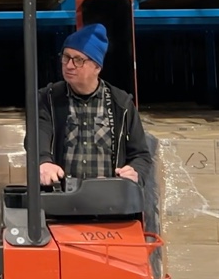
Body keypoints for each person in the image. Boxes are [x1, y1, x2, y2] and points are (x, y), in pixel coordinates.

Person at [34, 23, 153, 187]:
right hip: (61, 197)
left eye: (78, 60)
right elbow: (37, 137)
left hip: (107, 198)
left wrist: (135, 171)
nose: (69, 65)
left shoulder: (121, 104)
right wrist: (43, 161)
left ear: (97, 67)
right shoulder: (48, 99)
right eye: (66, 57)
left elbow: (141, 155)